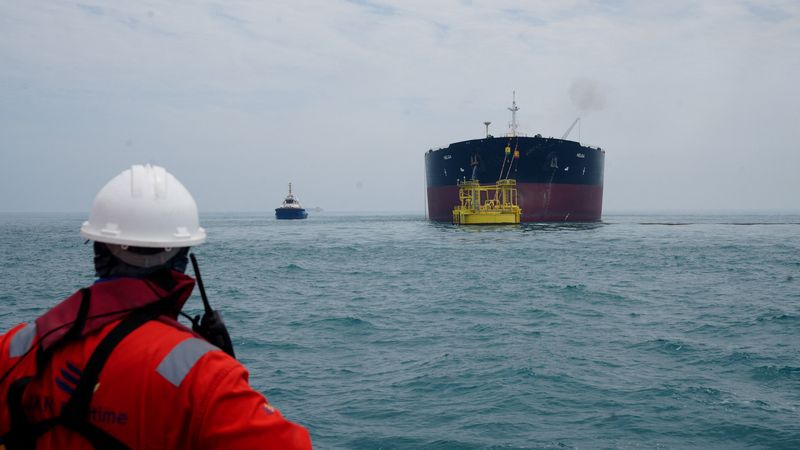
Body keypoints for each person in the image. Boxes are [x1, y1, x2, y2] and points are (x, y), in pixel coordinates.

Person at [0, 164, 312, 449]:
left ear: (96, 245)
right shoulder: (205, 375)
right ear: (183, 255)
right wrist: (228, 372)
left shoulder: (15, 347)